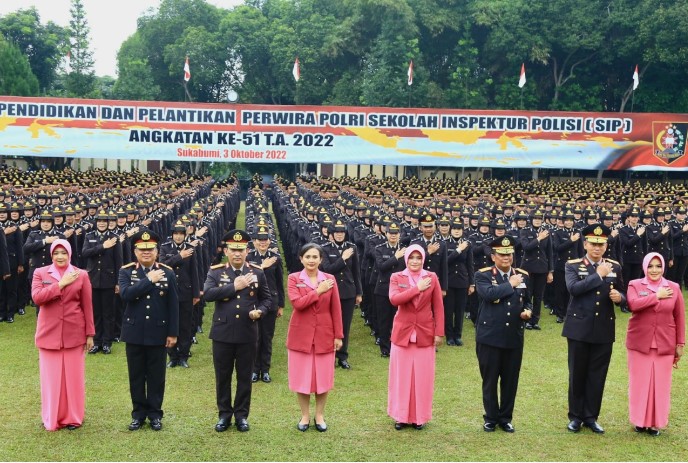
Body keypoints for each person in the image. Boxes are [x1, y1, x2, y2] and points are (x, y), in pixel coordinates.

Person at [204, 229, 271, 433]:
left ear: (247, 251)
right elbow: (208, 294)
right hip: (222, 333)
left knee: (244, 377)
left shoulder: (257, 272)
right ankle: (224, 415)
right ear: (226, 251)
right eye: (233, 250)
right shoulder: (216, 271)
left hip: (247, 332)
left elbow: (267, 298)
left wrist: (260, 310)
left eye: (241, 250)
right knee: (222, 376)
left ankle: (241, 415)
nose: (237, 254)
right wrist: (234, 286)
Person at [563, 224, 625, 434]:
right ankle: (575, 416)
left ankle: (591, 416)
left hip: (603, 328)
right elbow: (573, 289)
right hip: (579, 328)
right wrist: (597, 275)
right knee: (577, 373)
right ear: (585, 244)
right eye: (593, 244)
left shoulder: (614, 266)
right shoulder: (573, 265)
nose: (597, 248)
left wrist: (620, 298)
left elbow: (623, 293)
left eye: (601, 244)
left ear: (606, 245)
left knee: (597, 375)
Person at [118, 230, 179, 432]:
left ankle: (155, 414)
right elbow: (126, 294)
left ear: (157, 251)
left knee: (156, 376)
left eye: (150, 249)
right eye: (142, 249)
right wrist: (149, 280)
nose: (146, 253)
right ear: (135, 251)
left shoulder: (168, 272)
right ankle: (138, 414)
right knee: (136, 375)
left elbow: (173, 306)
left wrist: (172, 333)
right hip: (134, 331)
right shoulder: (126, 271)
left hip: (158, 331)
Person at [32, 239, 94, 431]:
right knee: (51, 380)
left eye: (64, 253)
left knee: (73, 378)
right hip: (48, 334)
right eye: (56, 253)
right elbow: (37, 298)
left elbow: (87, 306)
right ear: (51, 255)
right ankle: (52, 418)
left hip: (74, 333)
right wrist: (60, 285)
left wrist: (90, 334)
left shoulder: (81, 274)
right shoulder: (40, 273)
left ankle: (73, 417)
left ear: (70, 254)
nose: (60, 257)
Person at [474, 235, 532, 433]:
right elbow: (489, 295)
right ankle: (491, 417)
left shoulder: (523, 274)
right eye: (501, 254)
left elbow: (528, 301)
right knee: (490, 380)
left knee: (510, 381)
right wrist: (511, 284)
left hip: (513, 336)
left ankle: (506, 418)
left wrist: (528, 312)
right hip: (489, 336)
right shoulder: (482, 275)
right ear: (493, 256)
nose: (506, 258)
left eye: (509, 254)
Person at [626, 252, 685, 436]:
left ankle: (655, 423)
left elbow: (680, 317)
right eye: (650, 266)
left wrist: (680, 342)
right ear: (644, 267)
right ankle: (640, 421)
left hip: (665, 343)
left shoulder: (674, 287)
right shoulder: (635, 285)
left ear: (663, 268)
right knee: (640, 384)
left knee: (660, 386)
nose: (654, 270)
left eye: (658, 266)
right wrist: (656, 296)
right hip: (639, 342)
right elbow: (633, 305)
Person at [286, 243, 343, 432]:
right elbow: (298, 304)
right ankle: (304, 416)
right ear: (301, 259)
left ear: (321, 259)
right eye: (307, 257)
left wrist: (338, 335)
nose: (311, 260)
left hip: (324, 335)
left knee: (323, 379)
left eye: (315, 257)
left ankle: (319, 415)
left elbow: (336, 309)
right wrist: (318, 291)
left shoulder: (330, 279)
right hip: (300, 335)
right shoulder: (294, 278)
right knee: (302, 379)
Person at [387, 244, 444, 430]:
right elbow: (395, 299)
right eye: (412, 257)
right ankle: (400, 416)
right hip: (402, 334)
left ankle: (420, 417)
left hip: (424, 333)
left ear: (423, 260)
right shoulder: (397, 277)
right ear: (406, 259)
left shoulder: (432, 277)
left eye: (419, 258)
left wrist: (439, 332)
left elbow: (438, 307)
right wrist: (416, 288)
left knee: (422, 378)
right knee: (401, 377)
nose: (415, 261)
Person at [247, 226, 285, 383]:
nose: (263, 243)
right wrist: (262, 267)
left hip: (271, 302)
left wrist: (281, 305)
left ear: (269, 241)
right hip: (253, 301)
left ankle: (266, 370)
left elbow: (279, 283)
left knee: (267, 337)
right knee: (255, 337)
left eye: (265, 240)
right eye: (259, 240)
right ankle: (255, 370)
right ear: (254, 242)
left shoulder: (275, 258)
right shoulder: (248, 258)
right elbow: (247, 276)